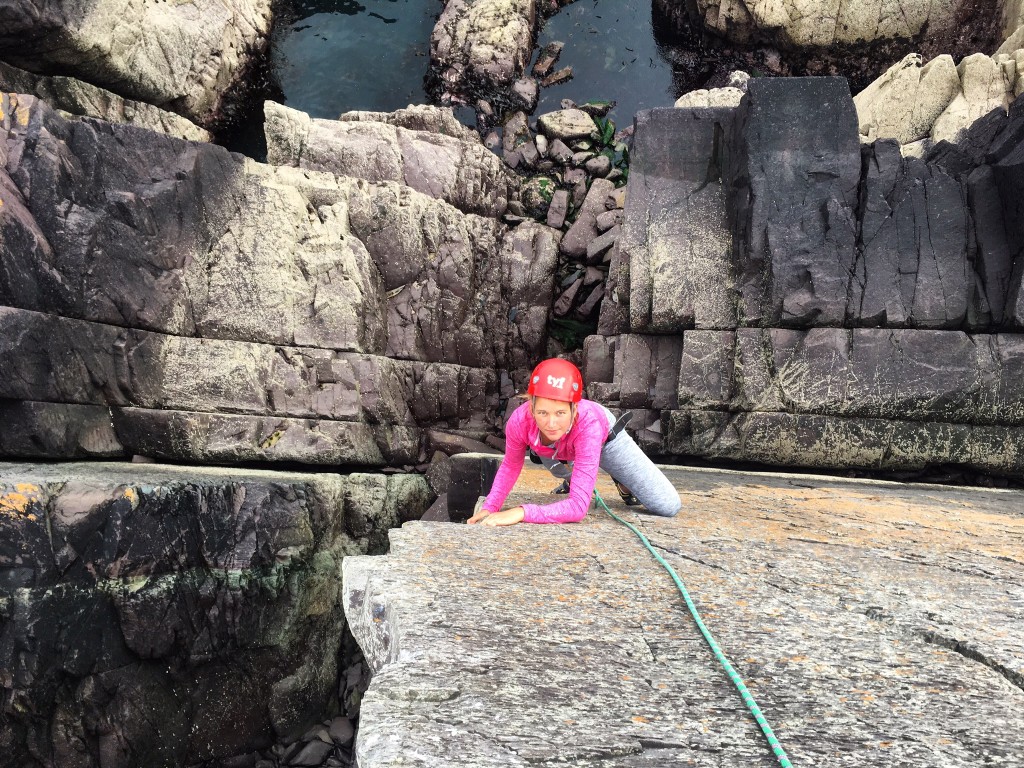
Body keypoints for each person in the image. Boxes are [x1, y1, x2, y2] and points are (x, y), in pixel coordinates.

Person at [468, 358, 682, 526]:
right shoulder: (520, 421)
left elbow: (578, 508)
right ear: (531, 408)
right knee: (556, 447)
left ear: (574, 408)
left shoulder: (589, 425)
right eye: (542, 412)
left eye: (560, 412)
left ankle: (619, 478)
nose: (551, 423)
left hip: (603, 440)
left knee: (667, 505)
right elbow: (511, 464)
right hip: (554, 448)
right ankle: (574, 475)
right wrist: (491, 506)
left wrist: (520, 512)